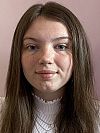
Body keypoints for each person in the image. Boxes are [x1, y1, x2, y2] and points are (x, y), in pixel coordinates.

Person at [0, 1, 99, 133]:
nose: (46, 58)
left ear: (78, 55)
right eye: (32, 47)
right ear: (18, 56)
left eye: (61, 46)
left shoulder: (96, 119)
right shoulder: (2, 114)